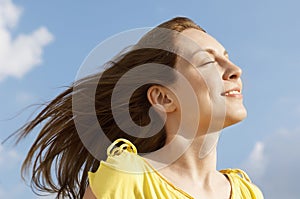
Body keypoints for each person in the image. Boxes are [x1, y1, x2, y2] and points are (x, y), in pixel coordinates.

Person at [15, 17, 264, 199]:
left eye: (227, 57)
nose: (234, 70)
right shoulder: (126, 178)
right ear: (163, 98)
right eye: (207, 61)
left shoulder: (247, 193)